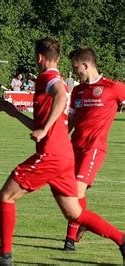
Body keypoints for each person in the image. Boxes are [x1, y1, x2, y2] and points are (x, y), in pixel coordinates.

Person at [0, 37, 124, 265]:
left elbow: (59, 97)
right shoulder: (63, 82)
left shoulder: (48, 77)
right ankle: (122, 241)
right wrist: (16, 114)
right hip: (65, 155)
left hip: (52, 155)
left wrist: (44, 129)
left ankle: (4, 253)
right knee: (75, 213)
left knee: (6, 196)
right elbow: (53, 118)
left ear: (39, 57)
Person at [63, 46, 125, 251]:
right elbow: (70, 121)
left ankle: (73, 235)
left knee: (76, 191)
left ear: (86, 64)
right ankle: (78, 229)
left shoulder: (113, 87)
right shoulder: (77, 90)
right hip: (74, 148)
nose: (74, 72)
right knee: (72, 194)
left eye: (75, 67)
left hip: (94, 148)